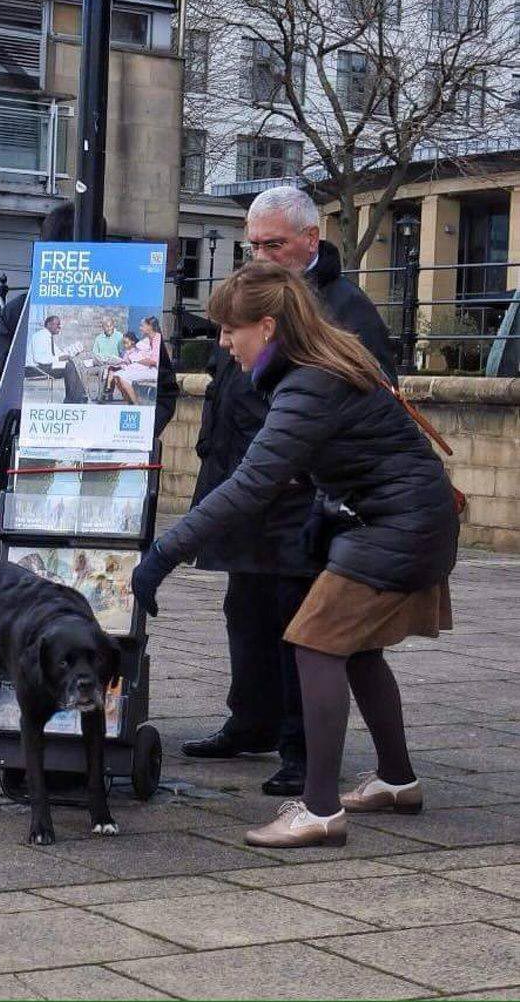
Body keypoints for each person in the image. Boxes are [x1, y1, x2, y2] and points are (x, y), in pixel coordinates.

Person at [132, 261, 458, 848]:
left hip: (397, 525)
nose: (225, 346)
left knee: (314, 641)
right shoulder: (323, 361)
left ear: (267, 325)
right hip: (405, 517)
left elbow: (250, 483)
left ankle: (320, 809)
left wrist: (162, 553)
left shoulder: (309, 382)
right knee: (357, 650)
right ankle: (396, 779)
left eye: (231, 332)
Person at [182, 185, 397, 801]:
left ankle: (303, 750)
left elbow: (368, 396)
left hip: (300, 495)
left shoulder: (340, 307)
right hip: (242, 480)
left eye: (273, 244)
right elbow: (231, 380)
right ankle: (250, 720)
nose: (261, 255)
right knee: (244, 610)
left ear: (310, 239)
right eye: (253, 244)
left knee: (298, 622)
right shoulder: (256, 297)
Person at [0, 201, 179, 438]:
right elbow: (5, 389)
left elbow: (1, 391)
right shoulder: (18, 313)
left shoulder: (16, 310)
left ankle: (80, 398)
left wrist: (137, 438)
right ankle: (78, 398)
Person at [27, 314, 88, 404]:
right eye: (57, 324)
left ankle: (79, 396)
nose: (59, 327)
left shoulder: (48, 337)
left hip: (44, 366)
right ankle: (73, 399)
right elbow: (39, 359)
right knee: (68, 366)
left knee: (69, 363)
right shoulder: (40, 336)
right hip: (34, 368)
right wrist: (60, 358)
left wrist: (74, 350)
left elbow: (59, 353)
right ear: (48, 325)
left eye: (60, 324)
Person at [111, 316, 161, 405]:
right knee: (116, 376)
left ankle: (136, 405)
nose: (140, 328)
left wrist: (137, 360)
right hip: (143, 367)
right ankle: (128, 402)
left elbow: (154, 361)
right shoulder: (146, 340)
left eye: (142, 326)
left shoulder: (157, 339)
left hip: (153, 370)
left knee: (123, 378)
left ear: (150, 327)